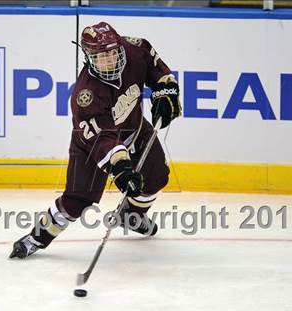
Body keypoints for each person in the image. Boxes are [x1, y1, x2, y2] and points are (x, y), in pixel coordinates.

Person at [9, 21, 181, 259]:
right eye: (101, 56)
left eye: (112, 52)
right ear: (88, 57)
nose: (109, 60)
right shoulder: (85, 97)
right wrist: (122, 168)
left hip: (135, 129)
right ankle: (37, 237)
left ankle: (131, 216)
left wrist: (166, 93)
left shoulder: (136, 49)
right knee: (77, 200)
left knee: (155, 177)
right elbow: (104, 140)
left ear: (120, 46)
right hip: (91, 146)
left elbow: (158, 71)